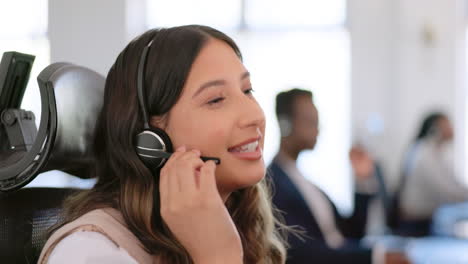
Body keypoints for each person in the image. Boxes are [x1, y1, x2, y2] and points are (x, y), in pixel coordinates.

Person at [38, 25, 286, 264]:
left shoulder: (240, 219)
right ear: (151, 140)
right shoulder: (88, 252)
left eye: (247, 90)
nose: (254, 115)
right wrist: (218, 257)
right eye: (216, 99)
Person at [268, 88, 410, 264]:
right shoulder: (273, 183)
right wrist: (376, 257)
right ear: (285, 124)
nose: (317, 128)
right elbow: (302, 254)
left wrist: (361, 180)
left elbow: (351, 232)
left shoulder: (305, 183)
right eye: (310, 121)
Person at [394, 112, 468, 236]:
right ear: (435, 130)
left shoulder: (437, 153)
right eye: (447, 125)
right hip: (415, 224)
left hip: (428, 218)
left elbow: (453, 183)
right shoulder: (424, 153)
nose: (452, 128)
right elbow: (444, 189)